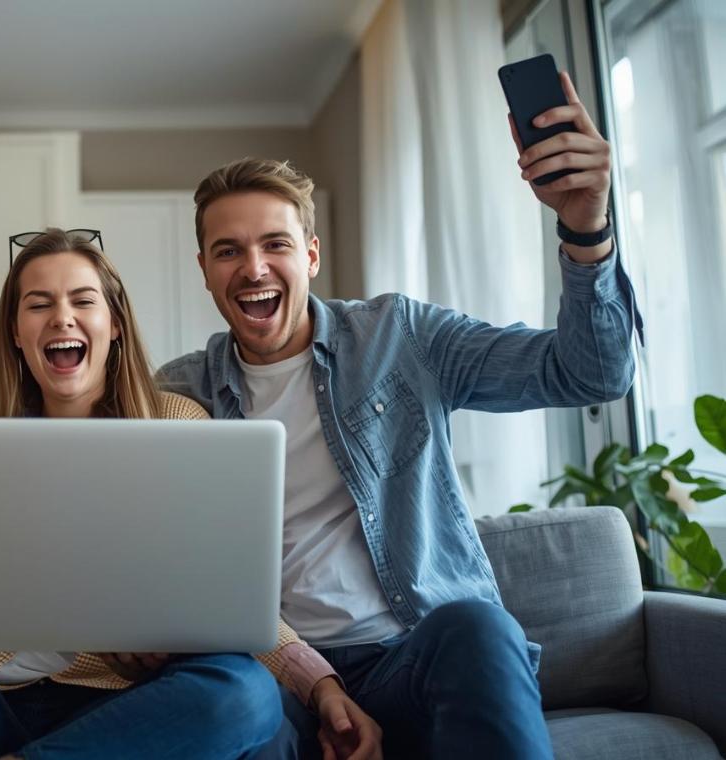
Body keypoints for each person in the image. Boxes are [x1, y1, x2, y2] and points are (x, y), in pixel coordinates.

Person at [158, 73, 638, 759]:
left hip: (413, 658)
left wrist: (585, 227)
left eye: (275, 244)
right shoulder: (179, 394)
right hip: (280, 681)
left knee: (479, 627)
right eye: (228, 250)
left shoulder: (398, 336)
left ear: (311, 256)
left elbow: (589, 373)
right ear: (204, 269)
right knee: (224, 696)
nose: (253, 268)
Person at [0, 228, 381, 759]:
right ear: (15, 333)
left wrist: (321, 685)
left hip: (130, 712)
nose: (62, 318)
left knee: (244, 693)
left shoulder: (179, 425)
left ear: (115, 323)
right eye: (39, 304)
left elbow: (234, 600)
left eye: (82, 301)